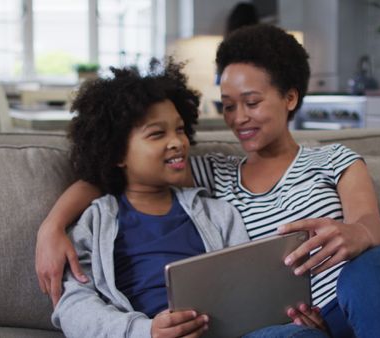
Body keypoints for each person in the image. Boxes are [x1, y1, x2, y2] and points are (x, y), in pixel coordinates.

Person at [37, 25, 380, 338]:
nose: (238, 117)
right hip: (334, 322)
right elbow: (118, 176)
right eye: (227, 104)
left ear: (289, 97)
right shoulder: (209, 175)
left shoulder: (334, 158)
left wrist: (356, 234)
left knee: (367, 275)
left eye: (252, 101)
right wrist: (52, 225)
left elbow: (371, 225)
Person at [51, 60, 327, 338]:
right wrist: (146, 331)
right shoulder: (96, 222)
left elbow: (252, 289)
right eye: (158, 134)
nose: (177, 142)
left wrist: (290, 317)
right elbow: (73, 305)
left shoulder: (218, 214)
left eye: (180, 130)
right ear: (117, 154)